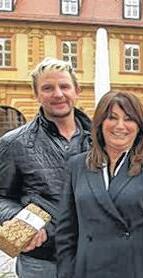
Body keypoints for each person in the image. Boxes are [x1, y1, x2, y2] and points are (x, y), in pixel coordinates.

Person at [56, 91, 143, 278]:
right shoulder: (77, 165)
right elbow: (66, 232)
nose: (120, 126)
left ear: (139, 126)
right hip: (87, 269)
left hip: (135, 269)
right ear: (100, 123)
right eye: (112, 118)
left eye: (129, 119)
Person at [0, 57, 92, 278]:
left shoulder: (100, 139)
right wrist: (21, 218)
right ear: (36, 94)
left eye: (64, 86)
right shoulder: (14, 143)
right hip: (42, 261)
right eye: (48, 88)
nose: (58, 94)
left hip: (94, 257)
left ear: (77, 90)